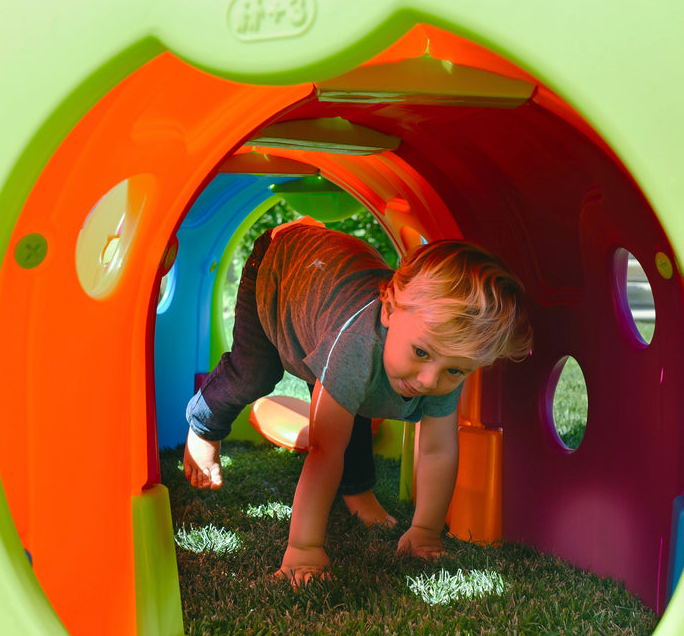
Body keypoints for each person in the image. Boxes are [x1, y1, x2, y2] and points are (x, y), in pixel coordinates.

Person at [184, 217, 532, 584]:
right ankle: (204, 424)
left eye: (456, 371)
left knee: (356, 401)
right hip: (280, 266)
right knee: (253, 372)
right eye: (421, 352)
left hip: (326, 291)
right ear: (389, 311)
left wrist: (426, 531)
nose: (430, 380)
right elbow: (324, 449)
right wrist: (304, 549)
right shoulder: (356, 346)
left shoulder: (446, 355)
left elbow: (437, 450)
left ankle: (356, 491)